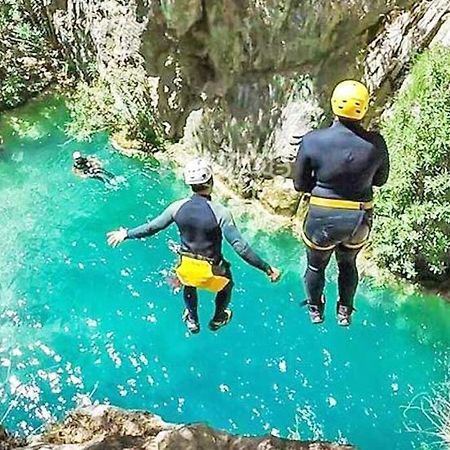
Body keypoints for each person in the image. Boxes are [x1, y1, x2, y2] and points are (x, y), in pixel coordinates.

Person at [107, 158, 281, 334]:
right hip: (212, 271)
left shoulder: (176, 207)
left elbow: (152, 227)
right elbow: (240, 247)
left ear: (189, 184)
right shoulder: (221, 213)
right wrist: (267, 269)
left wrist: (126, 234)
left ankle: (192, 319)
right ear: (211, 181)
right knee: (227, 286)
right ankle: (218, 318)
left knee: (188, 282)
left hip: (187, 267)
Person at [293, 80, 390, 326]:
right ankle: (344, 311)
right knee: (348, 263)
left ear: (334, 104)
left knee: (316, 267)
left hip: (322, 218)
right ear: (363, 108)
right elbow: (381, 180)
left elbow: (299, 184)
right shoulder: (376, 143)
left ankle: (315, 309)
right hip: (358, 219)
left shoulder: (313, 140)